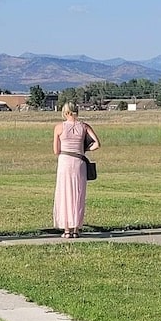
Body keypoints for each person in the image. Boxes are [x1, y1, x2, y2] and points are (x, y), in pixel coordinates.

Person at [52, 101, 100, 238]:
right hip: (79, 162)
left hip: (65, 162)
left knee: (64, 193)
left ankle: (66, 229)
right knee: (78, 194)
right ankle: (76, 229)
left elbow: (56, 150)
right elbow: (97, 144)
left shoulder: (59, 127)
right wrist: (83, 149)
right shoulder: (84, 126)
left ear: (65, 112)